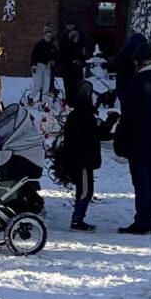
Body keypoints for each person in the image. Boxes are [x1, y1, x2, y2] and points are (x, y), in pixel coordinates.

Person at [114, 35, 151, 233]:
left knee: (142, 180)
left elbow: (129, 114)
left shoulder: (140, 83)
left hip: (140, 138)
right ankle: (148, 218)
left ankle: (143, 221)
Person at [54, 82, 102, 231]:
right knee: (85, 191)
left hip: (79, 158)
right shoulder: (85, 114)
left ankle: (78, 218)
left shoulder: (76, 114)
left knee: (84, 190)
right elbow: (95, 135)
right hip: (83, 160)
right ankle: (77, 219)